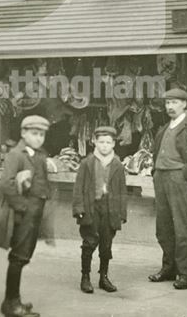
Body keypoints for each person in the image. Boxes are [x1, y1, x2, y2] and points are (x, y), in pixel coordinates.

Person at [146, 87, 187, 290]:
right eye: (167, 103)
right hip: (161, 179)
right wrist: (156, 172)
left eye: (174, 102)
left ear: (184, 104)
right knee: (163, 229)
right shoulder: (164, 128)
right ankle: (169, 268)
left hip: (179, 179)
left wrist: (183, 174)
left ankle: (186, 274)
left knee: (182, 229)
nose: (170, 107)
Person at [0, 115, 53, 317]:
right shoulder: (16, 155)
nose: (38, 138)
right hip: (22, 215)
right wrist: (22, 207)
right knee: (18, 258)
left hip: (35, 215)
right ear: (23, 133)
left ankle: (15, 300)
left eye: (42, 135)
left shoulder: (39, 155)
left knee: (24, 256)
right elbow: (5, 184)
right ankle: (10, 304)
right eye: (34, 134)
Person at [72, 125, 127, 295]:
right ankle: (85, 277)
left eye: (108, 142)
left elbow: (121, 191)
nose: (104, 145)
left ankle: (103, 277)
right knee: (89, 242)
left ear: (113, 144)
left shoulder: (117, 164)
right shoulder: (87, 163)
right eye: (101, 142)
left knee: (106, 244)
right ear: (94, 142)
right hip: (91, 206)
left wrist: (122, 213)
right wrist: (79, 208)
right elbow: (78, 187)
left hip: (110, 208)